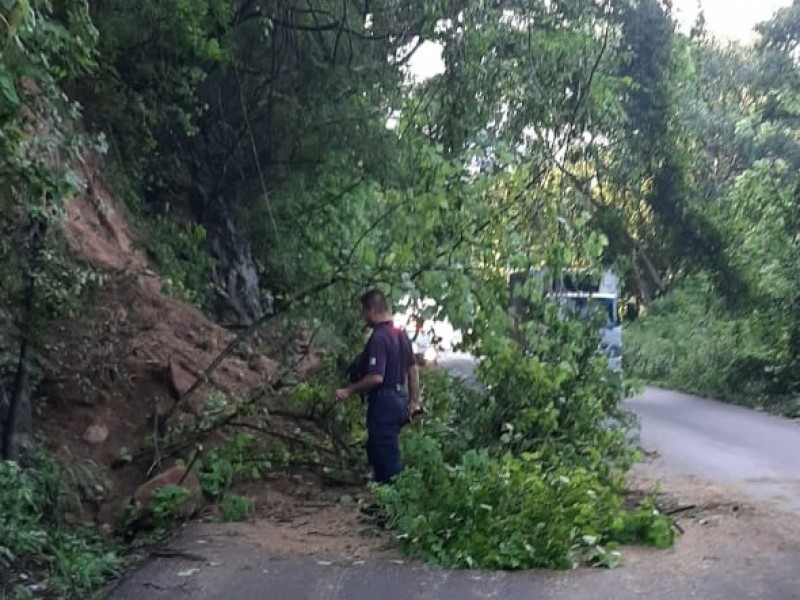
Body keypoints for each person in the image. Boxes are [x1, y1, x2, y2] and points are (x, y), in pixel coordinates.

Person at [335, 289, 421, 484]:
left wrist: (348, 391)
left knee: (386, 460)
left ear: (372, 310)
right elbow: (413, 369)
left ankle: (393, 508)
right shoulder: (400, 334)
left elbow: (376, 377)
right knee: (376, 451)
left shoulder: (379, 337)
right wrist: (414, 402)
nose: (364, 318)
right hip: (399, 400)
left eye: (364, 313)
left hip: (384, 404)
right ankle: (381, 505)